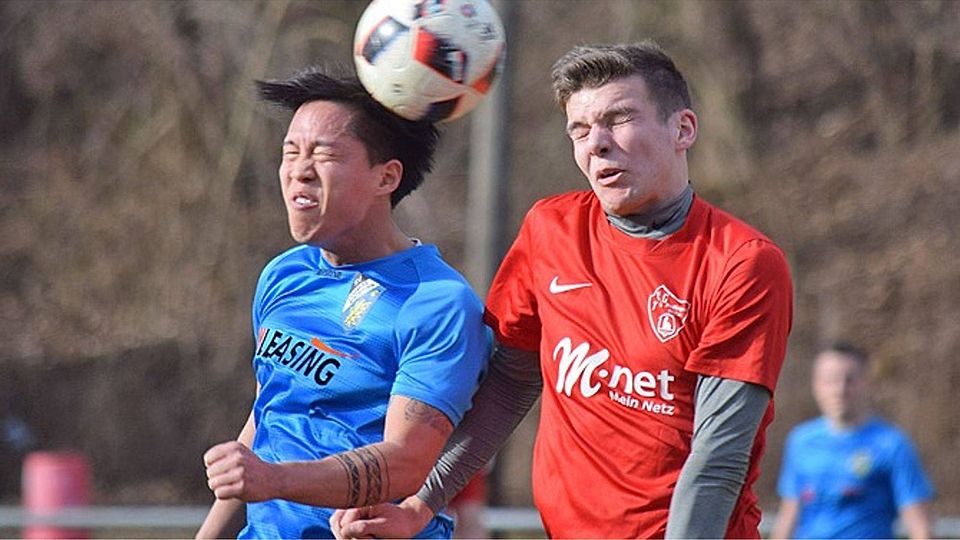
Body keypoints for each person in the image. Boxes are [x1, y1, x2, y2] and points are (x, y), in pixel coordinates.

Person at [331, 40, 793, 539]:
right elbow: (508, 385)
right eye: (579, 129)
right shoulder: (551, 229)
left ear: (682, 129)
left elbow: (718, 460)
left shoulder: (743, 264)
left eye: (618, 119)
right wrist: (421, 504)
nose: (596, 143)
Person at [195, 66, 491, 539]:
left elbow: (405, 463)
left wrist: (275, 480)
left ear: (386, 177)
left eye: (324, 154)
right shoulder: (283, 274)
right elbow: (267, 415)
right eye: (290, 151)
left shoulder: (437, 303)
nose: (299, 169)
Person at [770, 343, 934, 539]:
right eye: (830, 380)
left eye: (850, 380)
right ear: (816, 385)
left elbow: (920, 527)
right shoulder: (801, 441)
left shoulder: (892, 445)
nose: (840, 389)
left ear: (866, 382)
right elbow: (789, 515)